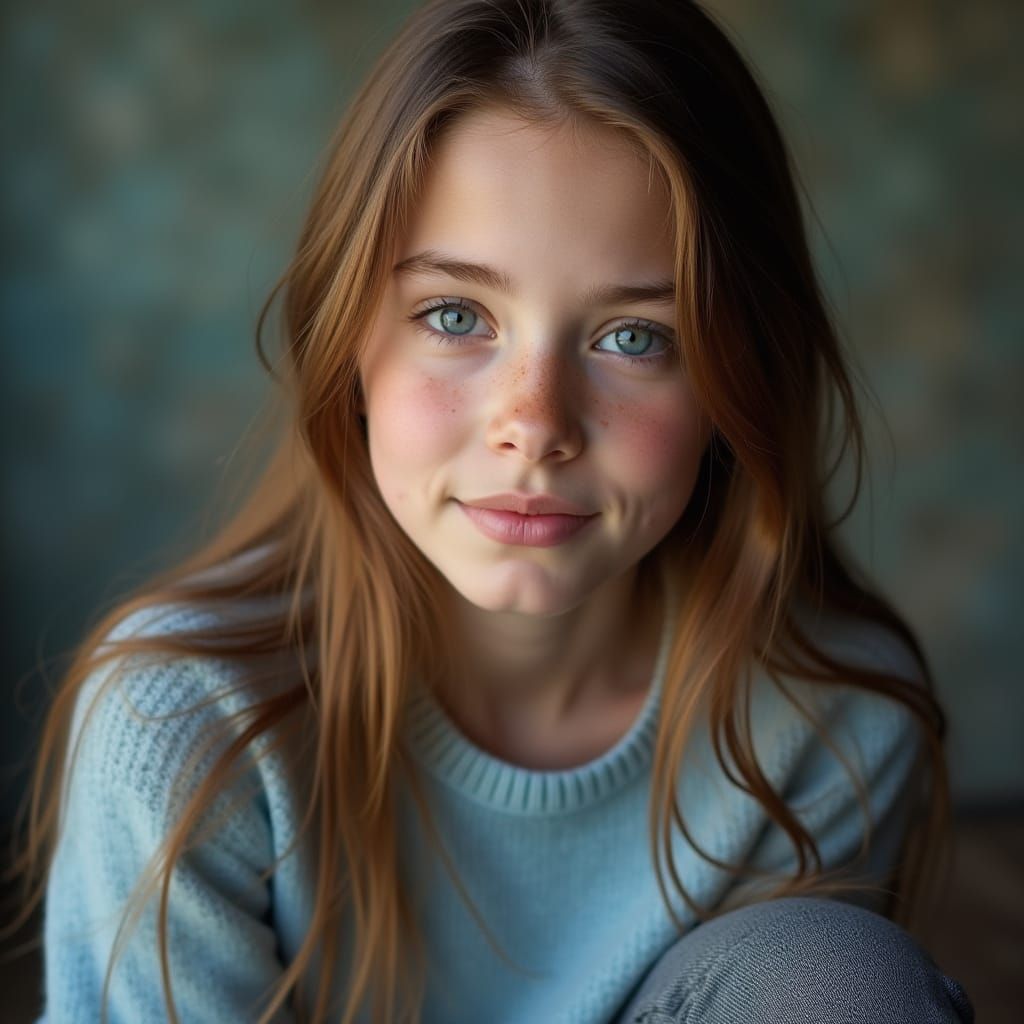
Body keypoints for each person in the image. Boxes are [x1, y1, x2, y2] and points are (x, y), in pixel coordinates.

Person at [6, 1, 976, 1022]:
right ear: (349, 351)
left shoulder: (827, 726)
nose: (535, 423)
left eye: (635, 336)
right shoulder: (188, 732)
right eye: (455, 316)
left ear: (735, 382)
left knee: (836, 977)